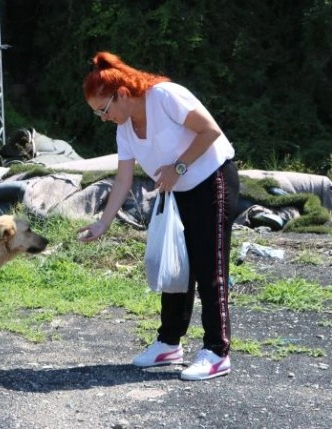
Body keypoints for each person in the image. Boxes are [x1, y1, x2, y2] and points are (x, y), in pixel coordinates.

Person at [77, 51, 240, 381]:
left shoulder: (164, 96)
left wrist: (178, 167)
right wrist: (102, 223)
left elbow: (210, 131)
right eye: (97, 114)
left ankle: (217, 351)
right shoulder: (124, 128)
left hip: (213, 180)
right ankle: (169, 343)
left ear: (122, 94)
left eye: (104, 110)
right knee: (176, 265)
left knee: (209, 265)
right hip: (177, 191)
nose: (103, 117)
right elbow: (123, 179)